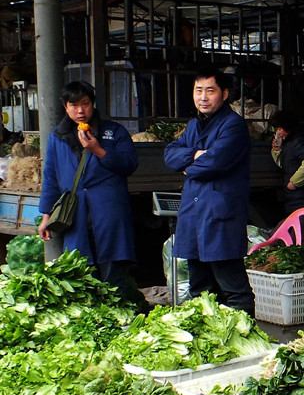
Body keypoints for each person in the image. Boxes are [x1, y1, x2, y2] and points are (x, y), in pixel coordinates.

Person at [38, 81, 145, 306]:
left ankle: (123, 314)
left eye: (85, 104)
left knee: (114, 272)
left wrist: (98, 150)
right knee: (81, 271)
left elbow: (129, 164)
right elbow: (51, 177)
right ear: (65, 107)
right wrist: (46, 215)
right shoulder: (58, 137)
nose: (80, 110)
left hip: (109, 211)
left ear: (93, 104)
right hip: (76, 212)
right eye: (73, 105)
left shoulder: (113, 132)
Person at [164, 67, 254, 314]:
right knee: (199, 288)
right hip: (194, 214)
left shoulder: (233, 125)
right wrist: (194, 155)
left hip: (219, 216)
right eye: (198, 90)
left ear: (224, 94)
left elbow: (215, 162)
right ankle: (209, 340)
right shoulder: (193, 125)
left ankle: (248, 337)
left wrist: (188, 166)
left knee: (232, 286)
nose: (203, 97)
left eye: (210, 91)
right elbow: (170, 154)